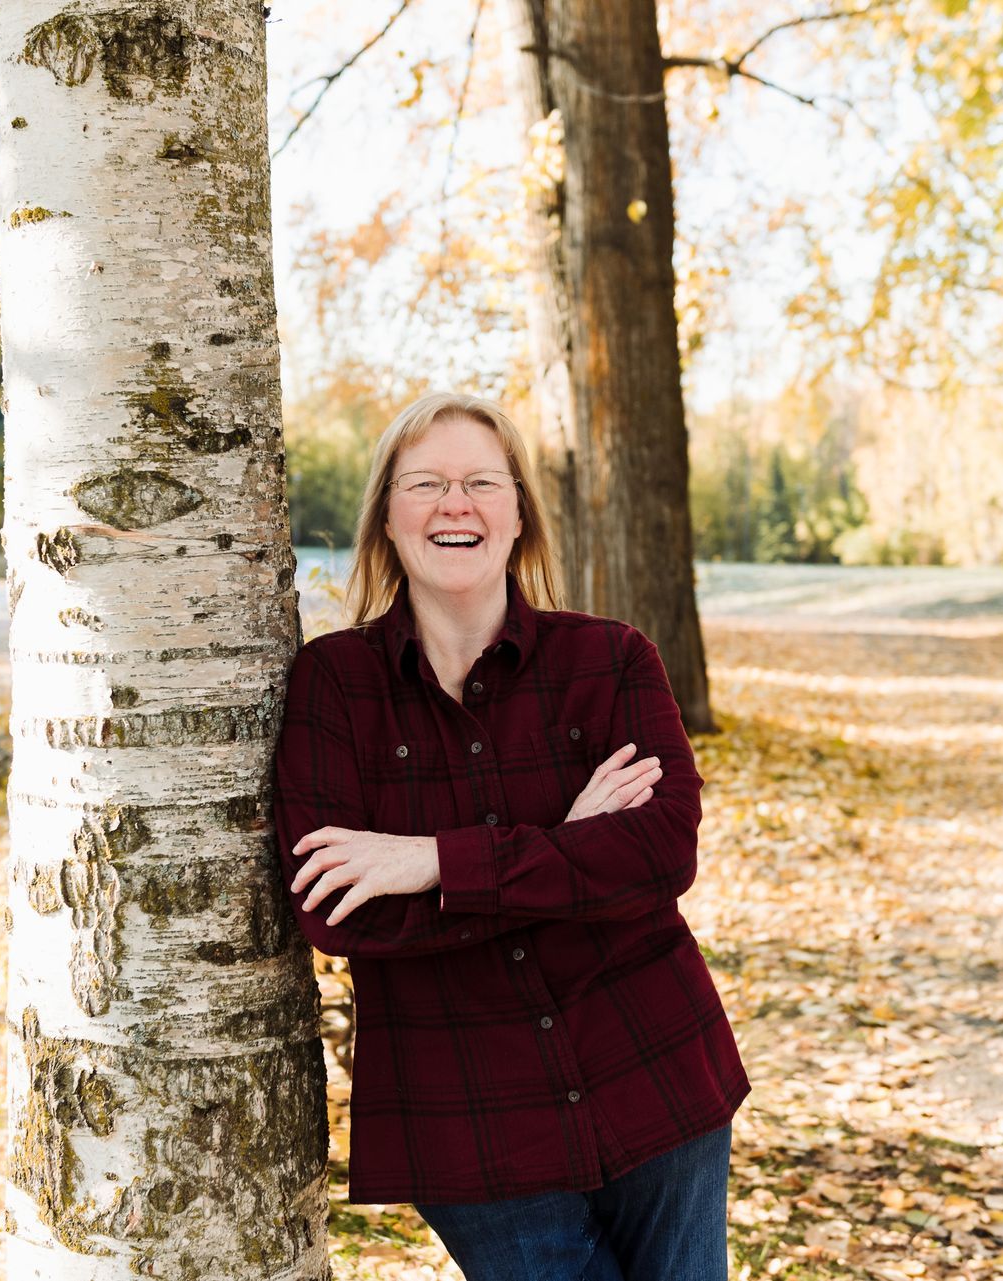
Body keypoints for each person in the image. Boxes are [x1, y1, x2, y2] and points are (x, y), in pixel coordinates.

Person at [270, 391, 750, 1280]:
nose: (457, 503)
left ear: (520, 512)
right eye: (426, 483)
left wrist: (427, 862)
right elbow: (339, 916)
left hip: (656, 1075)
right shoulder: (335, 684)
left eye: (482, 481)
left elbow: (661, 852)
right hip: (467, 1117)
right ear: (386, 514)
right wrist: (565, 849)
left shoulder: (612, 661)